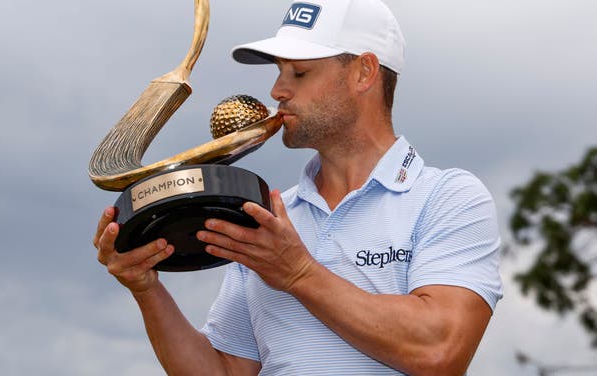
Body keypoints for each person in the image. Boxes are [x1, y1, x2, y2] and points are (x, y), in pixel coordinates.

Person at [93, 0, 503, 374]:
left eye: (300, 72)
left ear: (364, 72)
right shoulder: (267, 218)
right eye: (279, 71)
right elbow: (224, 371)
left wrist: (298, 272)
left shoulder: (448, 197)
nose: (277, 91)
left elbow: (440, 351)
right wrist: (147, 290)